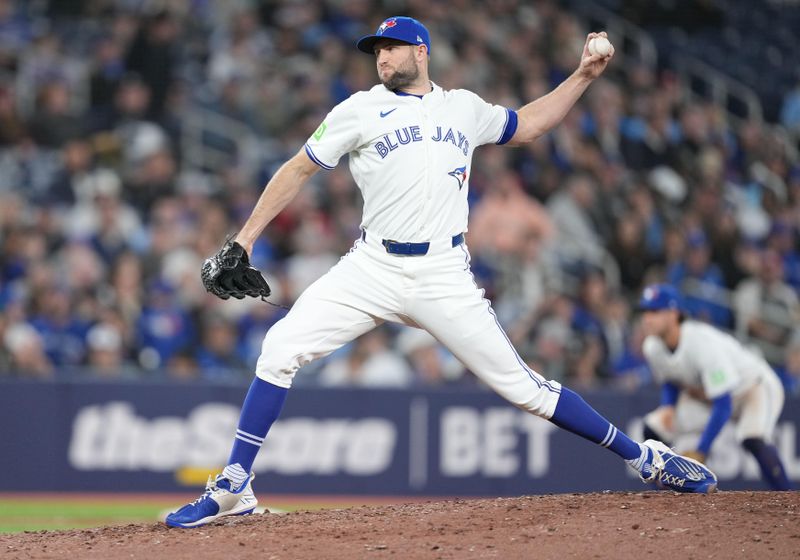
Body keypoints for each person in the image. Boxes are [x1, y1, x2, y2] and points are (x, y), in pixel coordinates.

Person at [165, 17, 716, 529]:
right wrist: (244, 239)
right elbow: (299, 168)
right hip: (372, 265)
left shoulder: (463, 107)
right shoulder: (360, 108)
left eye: (391, 47)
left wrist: (581, 76)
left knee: (525, 389)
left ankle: (646, 458)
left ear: (421, 52)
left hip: (443, 273)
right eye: (376, 50)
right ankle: (236, 485)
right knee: (280, 348)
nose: (381, 57)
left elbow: (529, 125)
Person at [638, 283, 792, 491]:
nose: (647, 318)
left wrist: (702, 450)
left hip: (753, 388)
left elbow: (724, 404)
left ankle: (788, 497)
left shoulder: (701, 344)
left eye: (654, 311)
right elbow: (672, 378)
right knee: (654, 426)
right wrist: (669, 406)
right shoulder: (652, 346)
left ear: (673, 314)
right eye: (645, 311)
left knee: (752, 437)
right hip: (707, 398)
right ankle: (664, 492)